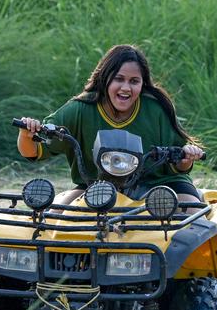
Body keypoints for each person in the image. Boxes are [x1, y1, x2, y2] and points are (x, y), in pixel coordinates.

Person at [16, 44, 205, 205]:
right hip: (97, 187)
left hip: (160, 185)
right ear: (104, 78)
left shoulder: (156, 108)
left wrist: (187, 157)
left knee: (191, 212)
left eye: (134, 81)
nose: (125, 88)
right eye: (119, 79)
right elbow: (32, 152)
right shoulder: (79, 109)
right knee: (56, 215)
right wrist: (26, 134)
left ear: (142, 84)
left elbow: (180, 164)